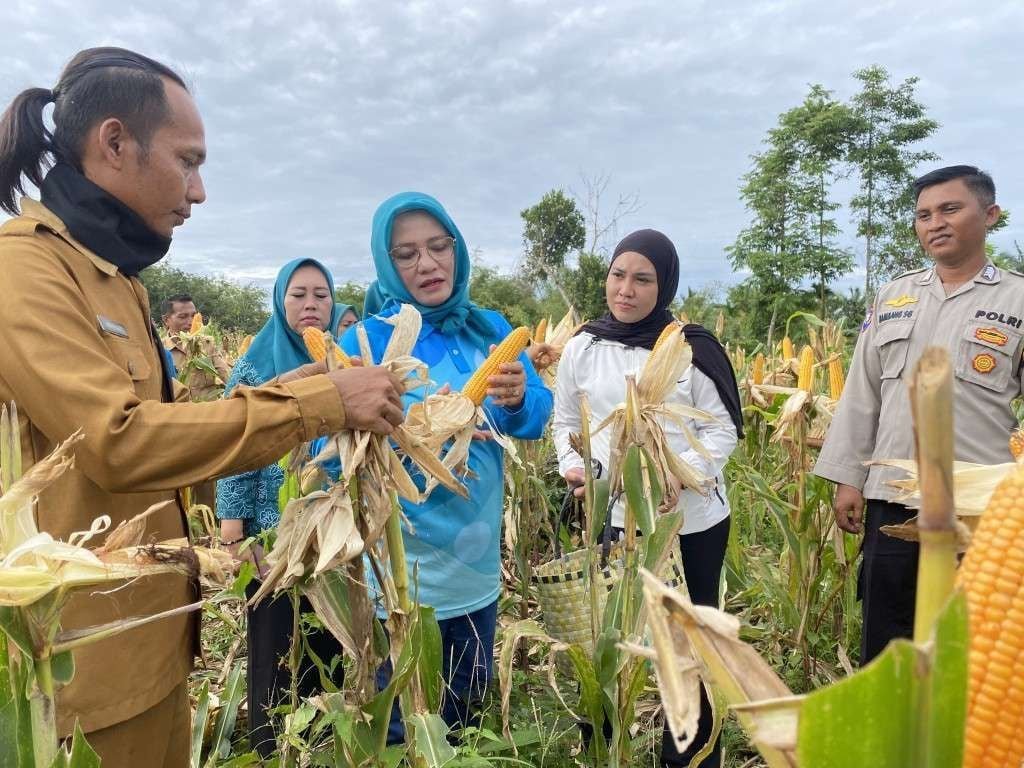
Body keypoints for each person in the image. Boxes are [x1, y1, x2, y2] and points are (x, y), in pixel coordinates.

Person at [0, 47, 404, 768]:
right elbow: (118, 442)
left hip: (153, 640)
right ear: (115, 142)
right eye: (187, 161)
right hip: (74, 679)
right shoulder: (24, 270)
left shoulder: (118, 280)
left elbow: (173, 434)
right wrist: (316, 405)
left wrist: (293, 397)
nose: (200, 191)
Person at [342, 191, 552, 743]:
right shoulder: (367, 339)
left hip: (475, 564)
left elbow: (536, 416)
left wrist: (516, 400)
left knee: (465, 714)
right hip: (401, 573)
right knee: (402, 722)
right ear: (387, 262)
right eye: (407, 253)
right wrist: (419, 432)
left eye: (439, 246)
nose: (427, 263)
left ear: (457, 250)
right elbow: (334, 442)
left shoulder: (490, 329)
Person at [814, 165, 1022, 663]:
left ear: (990, 214)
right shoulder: (894, 296)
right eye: (924, 215)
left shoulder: (1017, 299)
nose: (935, 223)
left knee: (973, 642)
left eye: (950, 209)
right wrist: (848, 479)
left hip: (981, 505)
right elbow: (862, 392)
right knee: (887, 636)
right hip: (893, 497)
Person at [552, 229, 742, 768]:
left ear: (665, 287)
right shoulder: (584, 346)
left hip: (690, 523)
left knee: (688, 644)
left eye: (642, 279)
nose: (626, 290)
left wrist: (682, 473)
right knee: (608, 635)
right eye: (618, 275)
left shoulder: (690, 348)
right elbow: (565, 423)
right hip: (611, 519)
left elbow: (722, 430)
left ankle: (689, 756)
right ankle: (605, 748)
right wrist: (575, 469)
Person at [216, 258, 348, 759]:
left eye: (321, 294)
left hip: (331, 533)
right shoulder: (254, 366)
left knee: (328, 639)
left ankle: (320, 744)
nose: (311, 304)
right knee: (274, 645)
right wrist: (235, 533)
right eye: (299, 294)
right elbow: (233, 450)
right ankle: (272, 747)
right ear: (280, 300)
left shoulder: (342, 366)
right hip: (270, 537)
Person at [159, 293, 231, 401]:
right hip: (178, 409)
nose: (191, 322)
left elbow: (227, 375)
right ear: (166, 320)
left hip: (208, 408)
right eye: (183, 317)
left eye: (193, 316)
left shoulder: (207, 343)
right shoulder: (159, 350)